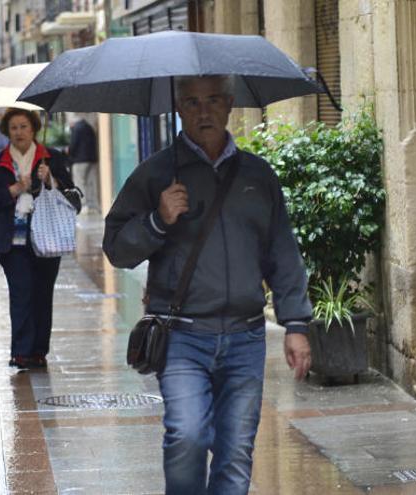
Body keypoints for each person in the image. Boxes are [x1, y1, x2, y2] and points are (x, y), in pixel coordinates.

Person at [102, 76, 313, 494]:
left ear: (230, 104)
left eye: (213, 100)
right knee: (187, 436)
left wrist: (296, 324)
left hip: (246, 336)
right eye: (193, 102)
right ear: (178, 109)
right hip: (181, 336)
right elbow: (116, 248)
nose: (204, 111)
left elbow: (282, 251)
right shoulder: (156, 173)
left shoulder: (258, 174)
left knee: (235, 454)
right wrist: (157, 220)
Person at [0, 108, 80, 369]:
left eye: (24, 127)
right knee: (21, 291)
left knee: (42, 294)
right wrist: (15, 189)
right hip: (12, 241)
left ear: (33, 129)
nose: (19, 132)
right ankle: (20, 352)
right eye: (14, 128)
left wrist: (51, 181)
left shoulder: (51, 158)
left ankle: (38, 351)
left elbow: (73, 198)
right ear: (7, 132)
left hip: (47, 239)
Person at [67, 114, 99, 211]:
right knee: (91, 183)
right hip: (91, 159)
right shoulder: (88, 127)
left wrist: (68, 153)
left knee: (80, 182)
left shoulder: (76, 128)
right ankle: (92, 204)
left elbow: (73, 145)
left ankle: (84, 205)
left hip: (79, 160)